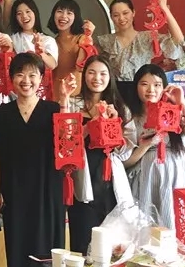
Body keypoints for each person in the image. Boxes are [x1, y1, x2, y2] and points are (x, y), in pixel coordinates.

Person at [0, 53, 64, 267]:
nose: (26, 80)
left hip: (47, 188)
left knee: (46, 244)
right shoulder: (3, 113)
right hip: (14, 188)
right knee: (17, 242)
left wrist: (65, 101)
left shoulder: (54, 109)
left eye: (32, 75)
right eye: (20, 74)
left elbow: (66, 143)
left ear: (41, 78)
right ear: (11, 78)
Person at [58, 56, 136, 255]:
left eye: (103, 73)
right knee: (83, 240)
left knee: (113, 242)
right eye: (91, 72)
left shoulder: (120, 108)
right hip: (82, 176)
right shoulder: (73, 104)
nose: (97, 78)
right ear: (84, 76)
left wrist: (113, 125)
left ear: (110, 77)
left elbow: (125, 151)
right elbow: (65, 145)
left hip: (109, 179)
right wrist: (90, 124)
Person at [125, 64, 185, 229]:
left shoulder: (175, 112)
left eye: (157, 84)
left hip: (177, 175)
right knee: (148, 226)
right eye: (144, 84)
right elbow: (125, 162)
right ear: (136, 87)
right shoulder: (131, 118)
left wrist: (183, 103)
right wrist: (145, 146)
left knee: (178, 224)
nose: (151, 90)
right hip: (146, 178)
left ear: (164, 87)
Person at [96, 0, 185, 83]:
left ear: (133, 13)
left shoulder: (146, 37)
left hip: (141, 88)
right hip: (113, 90)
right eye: (116, 15)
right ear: (111, 17)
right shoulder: (105, 41)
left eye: (125, 13)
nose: (121, 18)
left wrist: (164, 7)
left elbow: (178, 40)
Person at [47, 0, 95, 95]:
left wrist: (88, 37)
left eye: (69, 13)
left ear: (75, 18)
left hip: (76, 95)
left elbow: (81, 67)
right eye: (59, 11)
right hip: (54, 95)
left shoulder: (82, 38)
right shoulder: (50, 42)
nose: (63, 16)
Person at [9, 0, 58, 71]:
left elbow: (52, 65)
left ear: (35, 13)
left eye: (28, 11)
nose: (24, 16)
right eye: (19, 13)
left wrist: (41, 53)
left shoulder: (48, 40)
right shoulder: (11, 39)